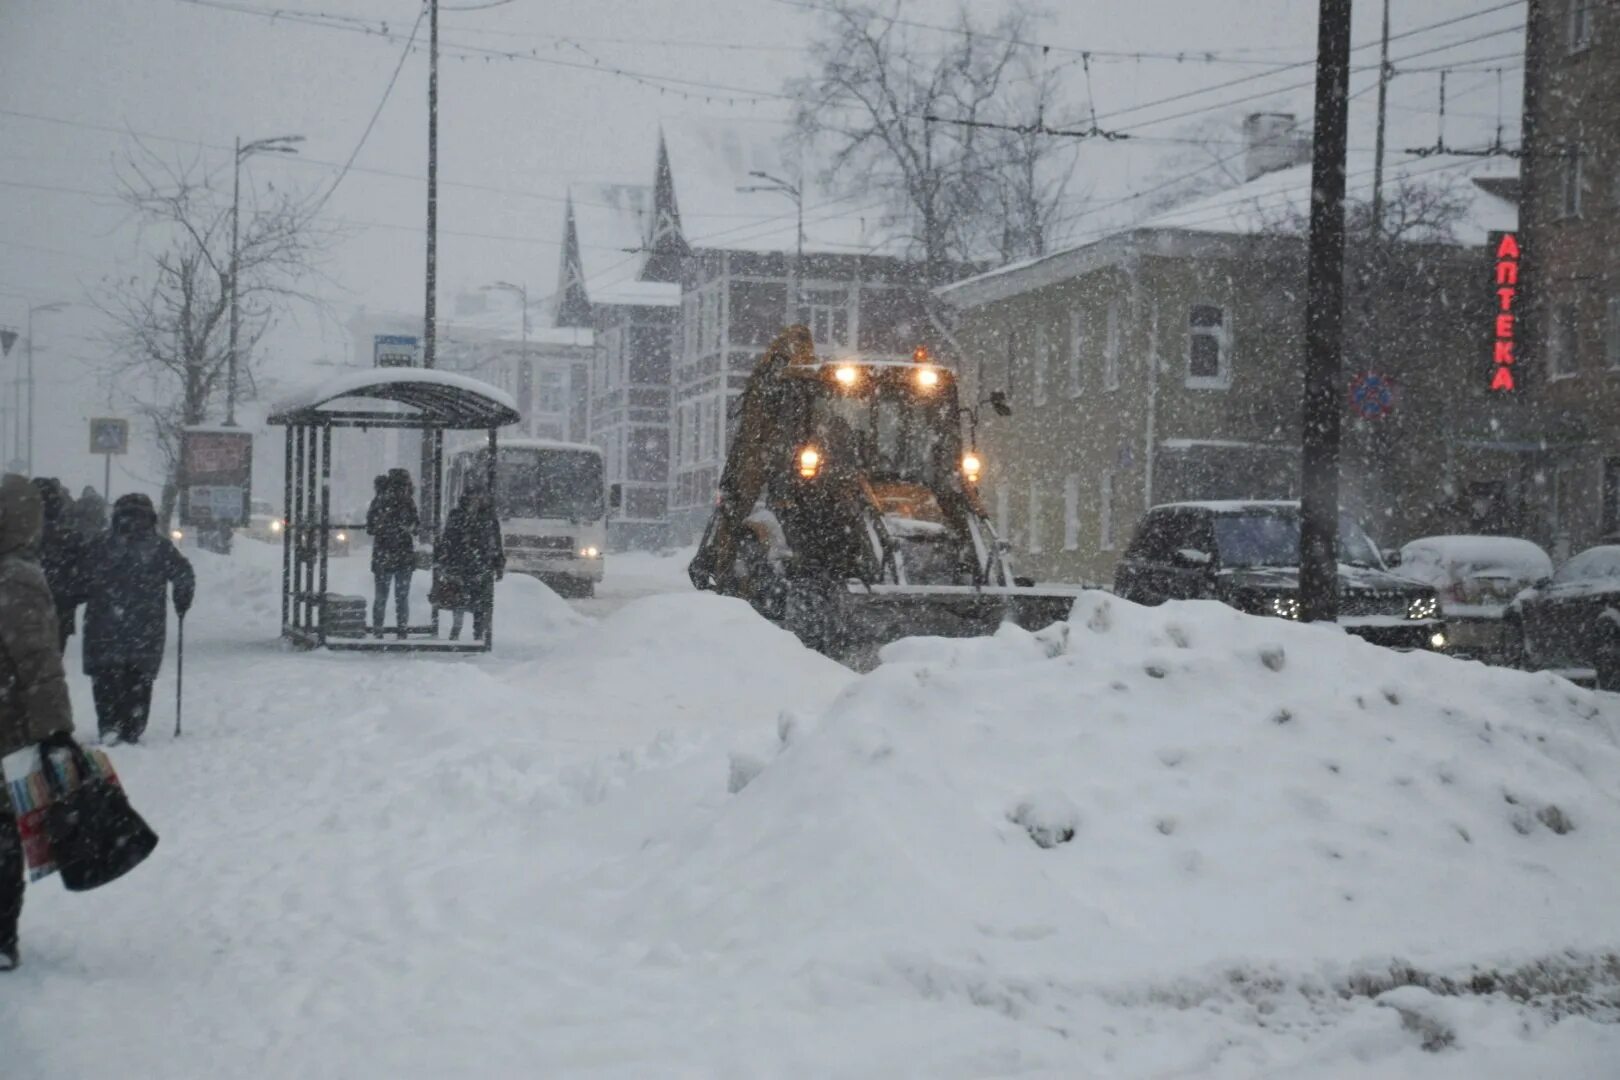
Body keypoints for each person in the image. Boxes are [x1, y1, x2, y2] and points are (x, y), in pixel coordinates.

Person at [0, 474, 76, 971]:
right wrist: (57, 730)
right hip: (7, 726)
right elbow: (37, 664)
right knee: (4, 833)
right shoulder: (17, 578)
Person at [80, 493, 194, 744]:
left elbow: (78, 579)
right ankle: (133, 725)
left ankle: (109, 724)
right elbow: (183, 573)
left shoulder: (100, 545)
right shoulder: (159, 547)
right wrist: (182, 599)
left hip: (103, 626)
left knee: (105, 677)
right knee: (139, 678)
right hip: (146, 628)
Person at [432, 487, 504, 641]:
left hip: (474, 563)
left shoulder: (484, 517)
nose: (475, 501)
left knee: (475, 600)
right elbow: (449, 538)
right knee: (463, 598)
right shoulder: (481, 517)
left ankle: (474, 633)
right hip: (468, 563)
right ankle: (464, 632)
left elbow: (495, 543)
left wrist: (498, 563)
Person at [30, 478, 86, 654]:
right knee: (51, 664)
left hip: (21, 611)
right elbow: (84, 576)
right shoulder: (70, 537)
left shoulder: (18, 538)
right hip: (60, 605)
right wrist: (73, 596)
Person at [366, 470, 418, 637]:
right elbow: (416, 525)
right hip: (403, 555)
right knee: (401, 598)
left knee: (382, 597)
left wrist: (385, 527)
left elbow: (371, 527)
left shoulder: (380, 500)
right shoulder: (408, 501)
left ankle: (378, 630)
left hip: (384, 555)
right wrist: (406, 528)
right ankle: (401, 630)